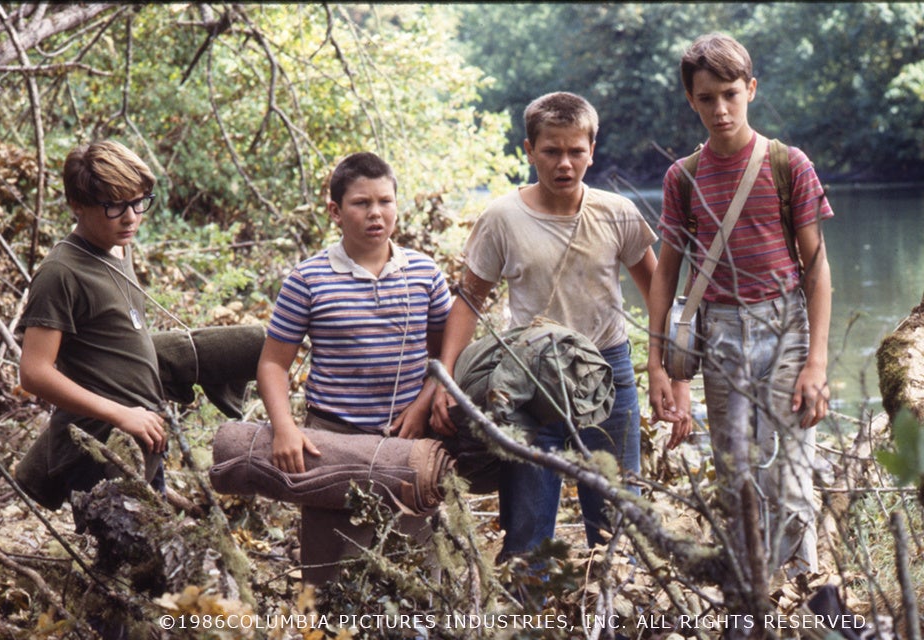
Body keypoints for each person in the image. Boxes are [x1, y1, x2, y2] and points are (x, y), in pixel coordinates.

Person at [430, 91, 669, 559]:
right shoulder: (502, 217)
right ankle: (530, 614)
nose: (565, 163)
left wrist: (662, 369)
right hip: (530, 378)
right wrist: (445, 380)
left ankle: (613, 612)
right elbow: (469, 300)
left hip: (607, 372)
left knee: (618, 519)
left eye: (576, 151)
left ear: (592, 151)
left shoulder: (617, 213)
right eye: (551, 151)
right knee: (528, 524)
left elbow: (656, 292)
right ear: (529, 150)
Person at [647, 33, 834, 579]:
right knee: (738, 478)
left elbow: (818, 271)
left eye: (731, 93)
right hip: (721, 333)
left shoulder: (787, 164)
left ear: (751, 89)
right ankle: (752, 599)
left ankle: (802, 594)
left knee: (792, 474)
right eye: (707, 98)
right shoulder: (682, 177)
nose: (720, 109)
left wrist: (817, 363)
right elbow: (667, 274)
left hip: (786, 327)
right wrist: (658, 363)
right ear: (691, 100)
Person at [257, 151, 452, 474]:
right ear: (336, 211)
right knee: (332, 524)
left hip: (408, 432)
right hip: (330, 436)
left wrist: (422, 405)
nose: (375, 213)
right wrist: (284, 428)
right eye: (361, 203)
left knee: (408, 523)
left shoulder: (424, 272)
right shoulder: (308, 279)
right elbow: (273, 363)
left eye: (385, 202)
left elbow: (446, 356)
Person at [17, 140, 168, 508]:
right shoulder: (60, 273)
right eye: (114, 206)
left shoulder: (117, 246)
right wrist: (121, 414)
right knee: (126, 558)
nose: (131, 217)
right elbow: (34, 372)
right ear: (77, 206)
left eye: (138, 201)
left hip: (139, 431)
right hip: (97, 445)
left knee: (163, 556)